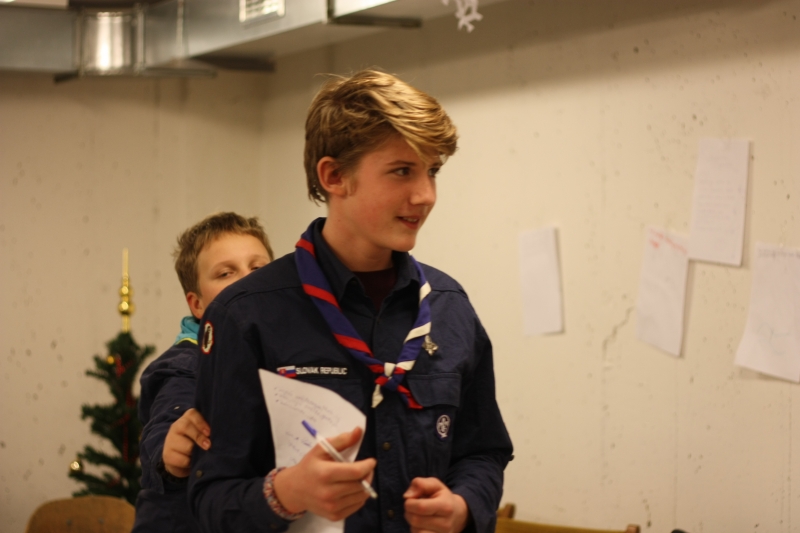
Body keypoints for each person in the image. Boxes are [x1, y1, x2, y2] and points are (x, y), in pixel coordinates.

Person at [189, 69, 513, 533]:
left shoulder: (449, 307)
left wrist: (462, 506)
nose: (426, 195)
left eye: (432, 171)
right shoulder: (246, 315)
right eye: (402, 171)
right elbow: (208, 499)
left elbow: (483, 452)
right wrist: (287, 493)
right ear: (335, 176)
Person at [132, 212, 274, 533]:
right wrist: (169, 448)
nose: (248, 281)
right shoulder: (186, 363)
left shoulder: (279, 354)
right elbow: (170, 413)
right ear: (197, 305)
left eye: (258, 268)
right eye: (226, 273)